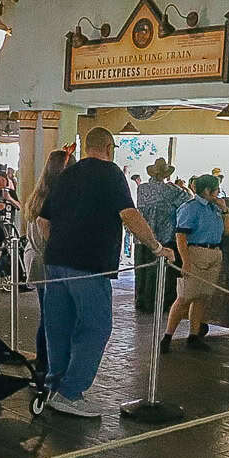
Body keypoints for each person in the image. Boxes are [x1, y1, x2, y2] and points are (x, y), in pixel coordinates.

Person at [36, 126, 169, 417]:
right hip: (89, 265)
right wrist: (156, 247)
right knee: (96, 327)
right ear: (109, 148)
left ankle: (55, 385)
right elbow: (129, 215)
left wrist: (60, 245)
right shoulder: (111, 174)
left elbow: (43, 221)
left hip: (55, 262)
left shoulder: (67, 174)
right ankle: (70, 392)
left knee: (58, 326)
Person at [163, 174, 229, 352]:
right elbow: (180, 236)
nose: (218, 193)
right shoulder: (190, 208)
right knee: (185, 297)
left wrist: (225, 211)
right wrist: (186, 261)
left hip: (214, 252)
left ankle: (194, 336)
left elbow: (228, 232)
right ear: (207, 190)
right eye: (216, 189)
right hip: (196, 252)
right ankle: (167, 337)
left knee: (202, 296)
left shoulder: (215, 208)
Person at [24, 149, 70, 380]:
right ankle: (45, 365)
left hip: (36, 258)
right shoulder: (54, 196)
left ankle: (46, 362)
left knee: (48, 314)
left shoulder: (39, 193)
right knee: (50, 316)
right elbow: (47, 231)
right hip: (47, 261)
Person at [134, 157, 188, 313]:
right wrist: (182, 188)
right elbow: (188, 200)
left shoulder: (141, 188)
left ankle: (141, 301)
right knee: (159, 273)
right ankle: (156, 304)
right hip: (163, 238)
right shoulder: (171, 190)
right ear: (166, 174)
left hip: (141, 237)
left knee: (141, 271)